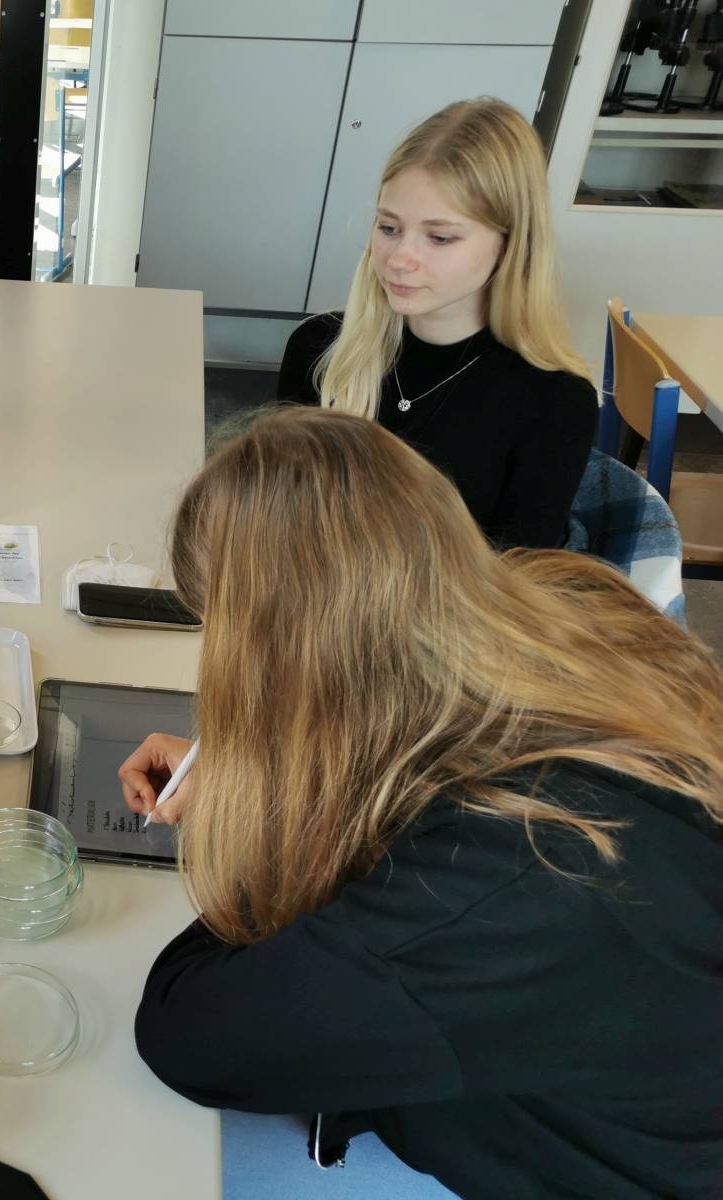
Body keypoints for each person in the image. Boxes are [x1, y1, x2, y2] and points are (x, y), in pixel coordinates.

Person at [124, 408, 723, 1198]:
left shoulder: (496, 879)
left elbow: (188, 1034)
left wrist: (262, 798)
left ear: (285, 662)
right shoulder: (570, 601)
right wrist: (257, 760)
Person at [276, 98, 597, 550]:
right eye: (389, 228)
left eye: (440, 237)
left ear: (510, 245)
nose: (399, 259)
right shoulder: (317, 348)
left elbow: (518, 577)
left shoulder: (555, 402)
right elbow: (276, 513)